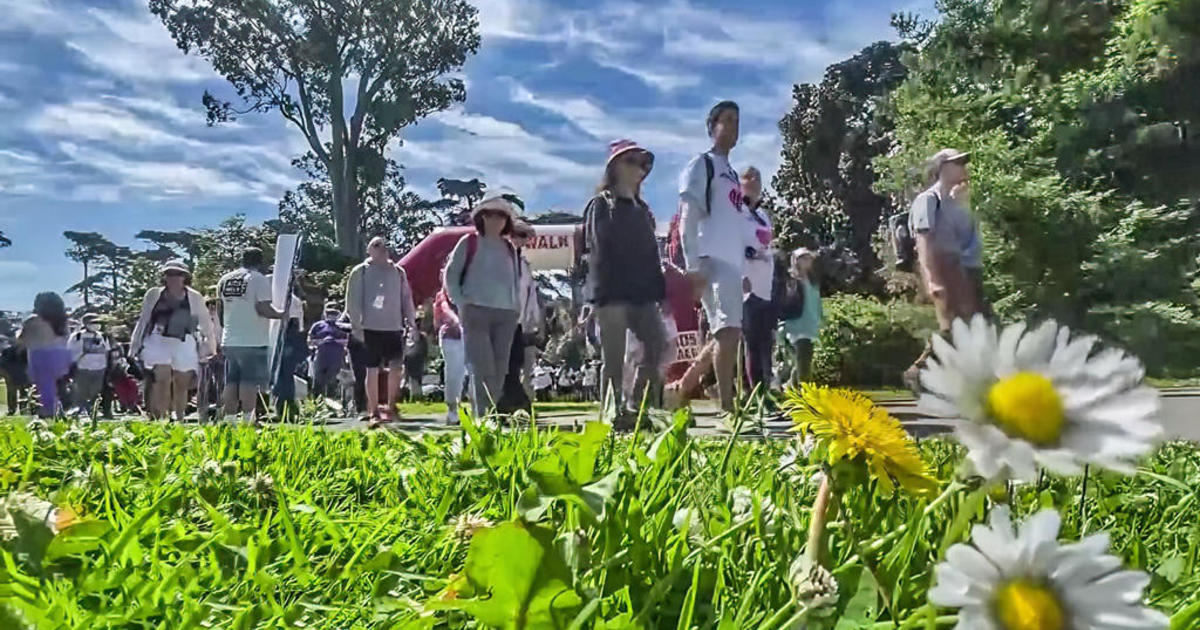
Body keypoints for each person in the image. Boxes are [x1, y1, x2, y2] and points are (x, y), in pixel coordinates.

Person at [584, 139, 668, 426]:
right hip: (612, 292)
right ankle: (613, 411)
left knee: (657, 344)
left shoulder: (643, 210)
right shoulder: (601, 204)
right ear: (614, 167)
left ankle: (639, 405)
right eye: (631, 161)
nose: (639, 168)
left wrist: (660, 289)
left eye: (642, 163)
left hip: (643, 293)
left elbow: (651, 254)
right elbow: (599, 247)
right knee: (614, 356)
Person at [679, 101, 750, 414]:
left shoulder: (732, 174)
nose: (733, 126)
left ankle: (681, 390)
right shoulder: (702, 164)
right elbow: (688, 217)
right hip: (710, 259)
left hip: (732, 263)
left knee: (727, 331)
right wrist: (692, 266)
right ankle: (728, 404)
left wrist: (743, 268)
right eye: (726, 120)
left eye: (737, 121)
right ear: (712, 127)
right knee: (726, 330)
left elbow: (734, 224)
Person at [902, 149, 985, 389]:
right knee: (959, 329)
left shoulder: (959, 199)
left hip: (968, 271)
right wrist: (933, 280)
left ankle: (924, 375)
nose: (963, 167)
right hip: (945, 270)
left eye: (964, 162)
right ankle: (919, 373)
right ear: (942, 168)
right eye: (957, 162)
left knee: (967, 329)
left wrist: (963, 205)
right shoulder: (929, 199)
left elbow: (969, 239)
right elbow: (924, 241)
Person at [443, 192, 522, 418]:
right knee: (481, 366)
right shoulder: (469, 242)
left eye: (501, 215)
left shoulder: (509, 248)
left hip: (506, 314)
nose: (495, 219)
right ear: (481, 217)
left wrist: (516, 309)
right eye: (490, 214)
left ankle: (491, 413)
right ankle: (481, 417)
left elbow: (515, 281)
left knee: (500, 369)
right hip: (476, 311)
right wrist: (461, 303)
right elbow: (451, 276)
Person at [129, 261, 217, 421]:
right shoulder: (154, 294)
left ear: (185, 277)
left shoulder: (195, 297)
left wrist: (211, 347)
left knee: (181, 382)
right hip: (158, 340)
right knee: (162, 379)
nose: (173, 278)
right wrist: (135, 345)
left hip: (184, 341)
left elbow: (206, 323)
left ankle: (179, 417)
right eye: (169, 274)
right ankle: (162, 418)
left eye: (177, 274)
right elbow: (144, 320)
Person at [346, 236, 417, 426]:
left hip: (393, 327)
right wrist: (356, 327)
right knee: (372, 369)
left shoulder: (398, 272)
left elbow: (406, 299)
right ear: (369, 250)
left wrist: (412, 323)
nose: (381, 249)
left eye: (384, 246)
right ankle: (373, 409)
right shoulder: (360, 272)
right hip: (369, 328)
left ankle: (391, 406)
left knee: (396, 368)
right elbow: (352, 302)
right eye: (376, 246)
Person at [216, 248, 283, 424]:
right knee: (249, 380)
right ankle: (248, 419)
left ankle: (229, 419)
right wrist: (281, 315)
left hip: (230, 338)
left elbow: (220, 310)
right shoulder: (258, 279)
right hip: (252, 339)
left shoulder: (225, 279)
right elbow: (263, 308)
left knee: (231, 380)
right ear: (260, 262)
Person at [738, 166, 777, 393]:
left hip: (765, 285)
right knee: (751, 342)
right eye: (747, 177)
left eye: (757, 177)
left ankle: (766, 391)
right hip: (747, 285)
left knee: (766, 342)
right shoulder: (736, 213)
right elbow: (736, 244)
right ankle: (754, 394)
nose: (753, 181)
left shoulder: (762, 216)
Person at [498, 221, 541, 414]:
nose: (523, 241)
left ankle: (513, 402)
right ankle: (511, 402)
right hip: (500, 317)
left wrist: (532, 321)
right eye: (520, 236)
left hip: (517, 321)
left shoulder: (523, 263)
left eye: (526, 237)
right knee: (504, 365)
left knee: (515, 362)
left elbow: (530, 294)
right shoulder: (498, 258)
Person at [17, 292, 71, 418]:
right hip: (61, 355)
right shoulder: (63, 322)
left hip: (40, 355)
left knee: (44, 386)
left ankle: (49, 412)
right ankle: (61, 410)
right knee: (59, 385)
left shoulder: (33, 320)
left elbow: (21, 340)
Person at [779, 248, 823, 385]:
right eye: (803, 258)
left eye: (809, 258)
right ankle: (802, 392)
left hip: (810, 325)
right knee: (802, 360)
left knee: (802, 360)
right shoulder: (790, 280)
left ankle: (791, 388)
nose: (807, 261)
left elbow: (816, 302)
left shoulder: (812, 280)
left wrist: (821, 319)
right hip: (796, 326)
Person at [434, 287, 467, 425]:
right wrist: (457, 321)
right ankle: (452, 409)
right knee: (454, 373)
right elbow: (445, 309)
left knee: (467, 374)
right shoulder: (443, 294)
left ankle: (472, 408)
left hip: (472, 335)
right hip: (451, 337)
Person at [67, 313, 110, 415]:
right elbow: (70, 352)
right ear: (86, 323)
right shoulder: (77, 336)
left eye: (98, 322)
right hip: (83, 367)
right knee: (81, 390)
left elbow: (107, 351)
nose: (96, 324)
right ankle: (80, 409)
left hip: (100, 368)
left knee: (96, 391)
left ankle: (93, 409)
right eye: (93, 322)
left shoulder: (102, 336)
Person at [308, 303, 348, 399]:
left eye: (334, 313)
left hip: (337, 356)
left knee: (333, 381)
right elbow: (309, 341)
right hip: (320, 355)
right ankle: (316, 402)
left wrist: (335, 341)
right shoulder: (317, 326)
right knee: (318, 380)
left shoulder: (344, 326)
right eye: (329, 312)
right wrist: (321, 342)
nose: (331, 315)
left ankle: (332, 402)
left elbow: (348, 341)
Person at [403, 324, 429, 402]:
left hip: (414, 358)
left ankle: (415, 396)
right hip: (414, 358)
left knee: (413, 379)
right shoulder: (421, 337)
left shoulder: (412, 336)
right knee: (414, 379)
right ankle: (415, 396)